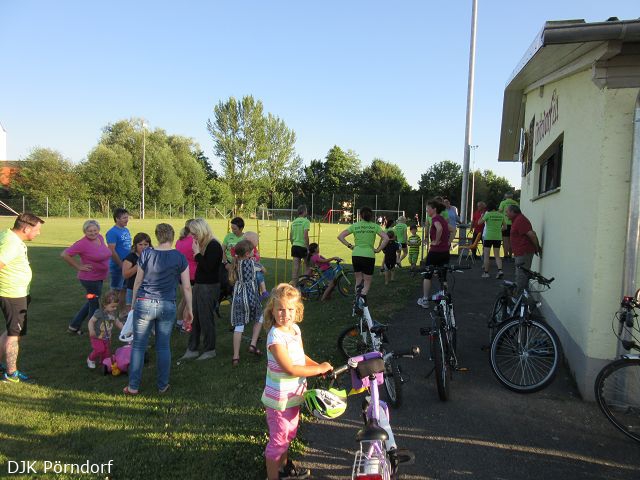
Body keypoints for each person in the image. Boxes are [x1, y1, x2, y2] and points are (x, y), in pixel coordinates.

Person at [262, 283, 332, 480]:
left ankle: (284, 469)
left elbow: (300, 357)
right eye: (281, 309)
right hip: (279, 401)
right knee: (277, 442)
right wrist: (318, 369)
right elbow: (290, 368)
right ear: (272, 310)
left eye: (291, 309)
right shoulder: (275, 337)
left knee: (288, 435)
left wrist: (318, 366)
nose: (286, 314)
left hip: (294, 396)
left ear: (297, 310)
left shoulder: (294, 330)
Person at [124, 223, 192, 395]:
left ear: (157, 236)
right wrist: (190, 309)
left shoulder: (146, 253)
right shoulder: (179, 257)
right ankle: (163, 385)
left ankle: (133, 386)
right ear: (172, 236)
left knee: (138, 346)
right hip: (167, 304)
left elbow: (138, 281)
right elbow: (186, 287)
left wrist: (133, 303)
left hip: (144, 302)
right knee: (163, 346)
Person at [0, 213, 44, 383]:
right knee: (14, 334)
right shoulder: (12, 243)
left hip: (17, 292)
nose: (39, 233)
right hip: (13, 294)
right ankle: (11, 374)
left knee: (13, 330)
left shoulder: (8, 235)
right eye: (37, 230)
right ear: (26, 229)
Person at [181, 218, 223, 362]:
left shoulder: (214, 245)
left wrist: (197, 254)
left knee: (205, 318)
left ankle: (210, 349)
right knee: (195, 318)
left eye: (194, 234)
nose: (193, 237)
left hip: (209, 287)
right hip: (200, 285)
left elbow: (209, 268)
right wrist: (198, 252)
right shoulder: (203, 244)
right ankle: (192, 348)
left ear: (201, 231)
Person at [61, 219, 112, 335]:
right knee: (94, 303)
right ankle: (93, 330)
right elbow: (65, 254)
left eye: (95, 230)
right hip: (90, 279)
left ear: (98, 230)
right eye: (89, 231)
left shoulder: (100, 238)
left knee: (92, 301)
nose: (93, 233)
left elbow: (103, 253)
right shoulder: (82, 243)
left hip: (99, 277)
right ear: (85, 232)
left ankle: (74, 326)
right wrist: (79, 266)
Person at [337, 206, 389, 297]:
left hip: (356, 255)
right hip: (369, 255)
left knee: (358, 280)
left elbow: (340, 236)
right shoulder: (375, 226)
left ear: (360, 215)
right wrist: (378, 249)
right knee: (367, 281)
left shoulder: (355, 225)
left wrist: (350, 246)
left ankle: (357, 299)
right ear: (371, 216)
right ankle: (362, 299)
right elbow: (386, 238)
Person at [229, 240, 264, 366]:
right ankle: (253, 344)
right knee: (259, 317)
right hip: (251, 296)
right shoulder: (252, 263)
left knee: (239, 326)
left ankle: (235, 357)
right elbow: (263, 270)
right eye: (253, 249)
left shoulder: (235, 263)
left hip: (238, 298)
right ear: (248, 253)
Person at [417, 200, 450, 308]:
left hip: (435, 252)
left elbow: (439, 228)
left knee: (428, 275)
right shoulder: (442, 219)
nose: (427, 211)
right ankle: (443, 302)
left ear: (434, 209)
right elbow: (452, 229)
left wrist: (436, 241)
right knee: (443, 277)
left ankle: (425, 300)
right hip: (445, 252)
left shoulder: (435, 219)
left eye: (428, 209)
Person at [505, 205, 542, 292]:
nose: (506, 214)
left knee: (521, 277)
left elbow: (532, 234)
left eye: (507, 212)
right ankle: (522, 296)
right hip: (520, 253)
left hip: (523, 253)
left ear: (513, 212)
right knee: (521, 276)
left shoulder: (520, 220)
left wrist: (537, 248)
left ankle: (519, 297)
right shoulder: (517, 220)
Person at [86, 290, 123, 369]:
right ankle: (90, 359)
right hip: (97, 336)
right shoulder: (99, 312)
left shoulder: (113, 314)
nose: (115, 308)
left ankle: (104, 363)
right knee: (99, 350)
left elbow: (117, 322)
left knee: (107, 352)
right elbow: (91, 321)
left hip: (107, 337)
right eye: (112, 306)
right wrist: (91, 330)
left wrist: (124, 330)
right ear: (105, 305)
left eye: (116, 306)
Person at [106, 208, 132, 313]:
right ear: (117, 219)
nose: (127, 220)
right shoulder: (112, 232)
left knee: (124, 289)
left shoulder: (126, 230)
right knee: (115, 291)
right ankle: (108, 314)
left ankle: (122, 312)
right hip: (117, 267)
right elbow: (111, 251)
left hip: (127, 265)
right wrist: (121, 265)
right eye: (124, 218)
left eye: (127, 217)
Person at [175, 220, 197, 331]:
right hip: (192, 274)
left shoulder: (179, 241)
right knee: (189, 301)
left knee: (184, 299)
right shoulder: (194, 241)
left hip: (180, 273)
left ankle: (179, 322)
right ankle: (185, 324)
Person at [122, 232, 152, 311]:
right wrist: (139, 264)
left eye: (146, 244)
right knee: (131, 312)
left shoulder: (153, 256)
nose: (143, 247)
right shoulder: (130, 257)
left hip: (148, 289)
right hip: (132, 289)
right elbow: (125, 275)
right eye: (140, 244)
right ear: (135, 245)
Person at [478, 202, 505, 279]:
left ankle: (486, 273)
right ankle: (500, 271)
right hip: (498, 237)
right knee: (497, 255)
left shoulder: (488, 214)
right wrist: (499, 230)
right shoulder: (501, 215)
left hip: (488, 237)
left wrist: (481, 216)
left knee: (486, 256)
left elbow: (479, 223)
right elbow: (505, 227)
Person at [243, 231, 268, 300]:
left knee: (258, 275)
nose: (258, 242)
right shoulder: (244, 248)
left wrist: (255, 258)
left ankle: (263, 291)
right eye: (257, 240)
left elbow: (257, 256)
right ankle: (261, 292)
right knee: (257, 275)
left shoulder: (254, 249)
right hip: (248, 268)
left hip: (254, 267)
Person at [290, 205, 310, 284]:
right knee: (308, 266)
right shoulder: (306, 221)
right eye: (306, 211)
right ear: (304, 211)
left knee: (295, 267)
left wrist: (293, 243)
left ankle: (294, 284)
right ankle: (303, 283)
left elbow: (290, 236)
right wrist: (308, 248)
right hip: (303, 246)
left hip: (294, 246)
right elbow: (305, 236)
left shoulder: (294, 222)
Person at [499, 193, 519, 260]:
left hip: (505, 224)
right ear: (512, 197)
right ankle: (510, 255)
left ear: (505, 197)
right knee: (511, 240)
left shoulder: (503, 202)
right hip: (514, 224)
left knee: (505, 241)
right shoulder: (515, 203)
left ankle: (505, 255)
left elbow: (500, 211)